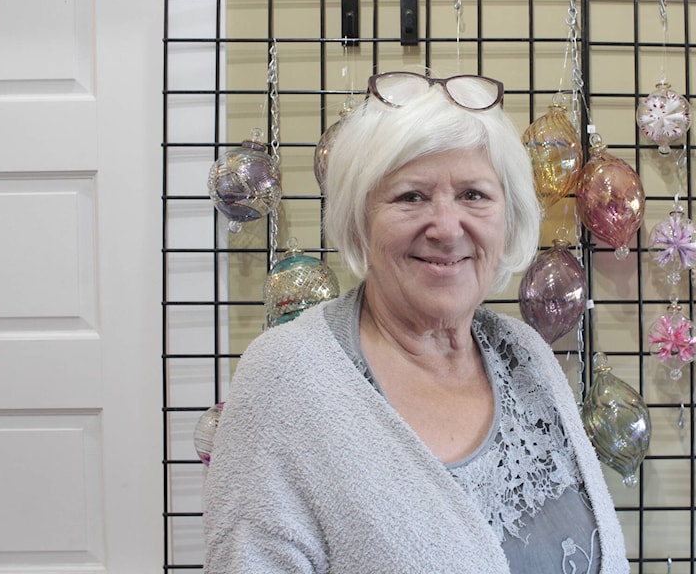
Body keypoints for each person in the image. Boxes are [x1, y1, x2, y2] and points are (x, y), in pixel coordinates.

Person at [203, 70, 630, 573]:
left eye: (474, 194)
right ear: (360, 220)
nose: (447, 229)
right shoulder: (285, 379)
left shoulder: (526, 354)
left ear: (507, 214)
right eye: (411, 196)